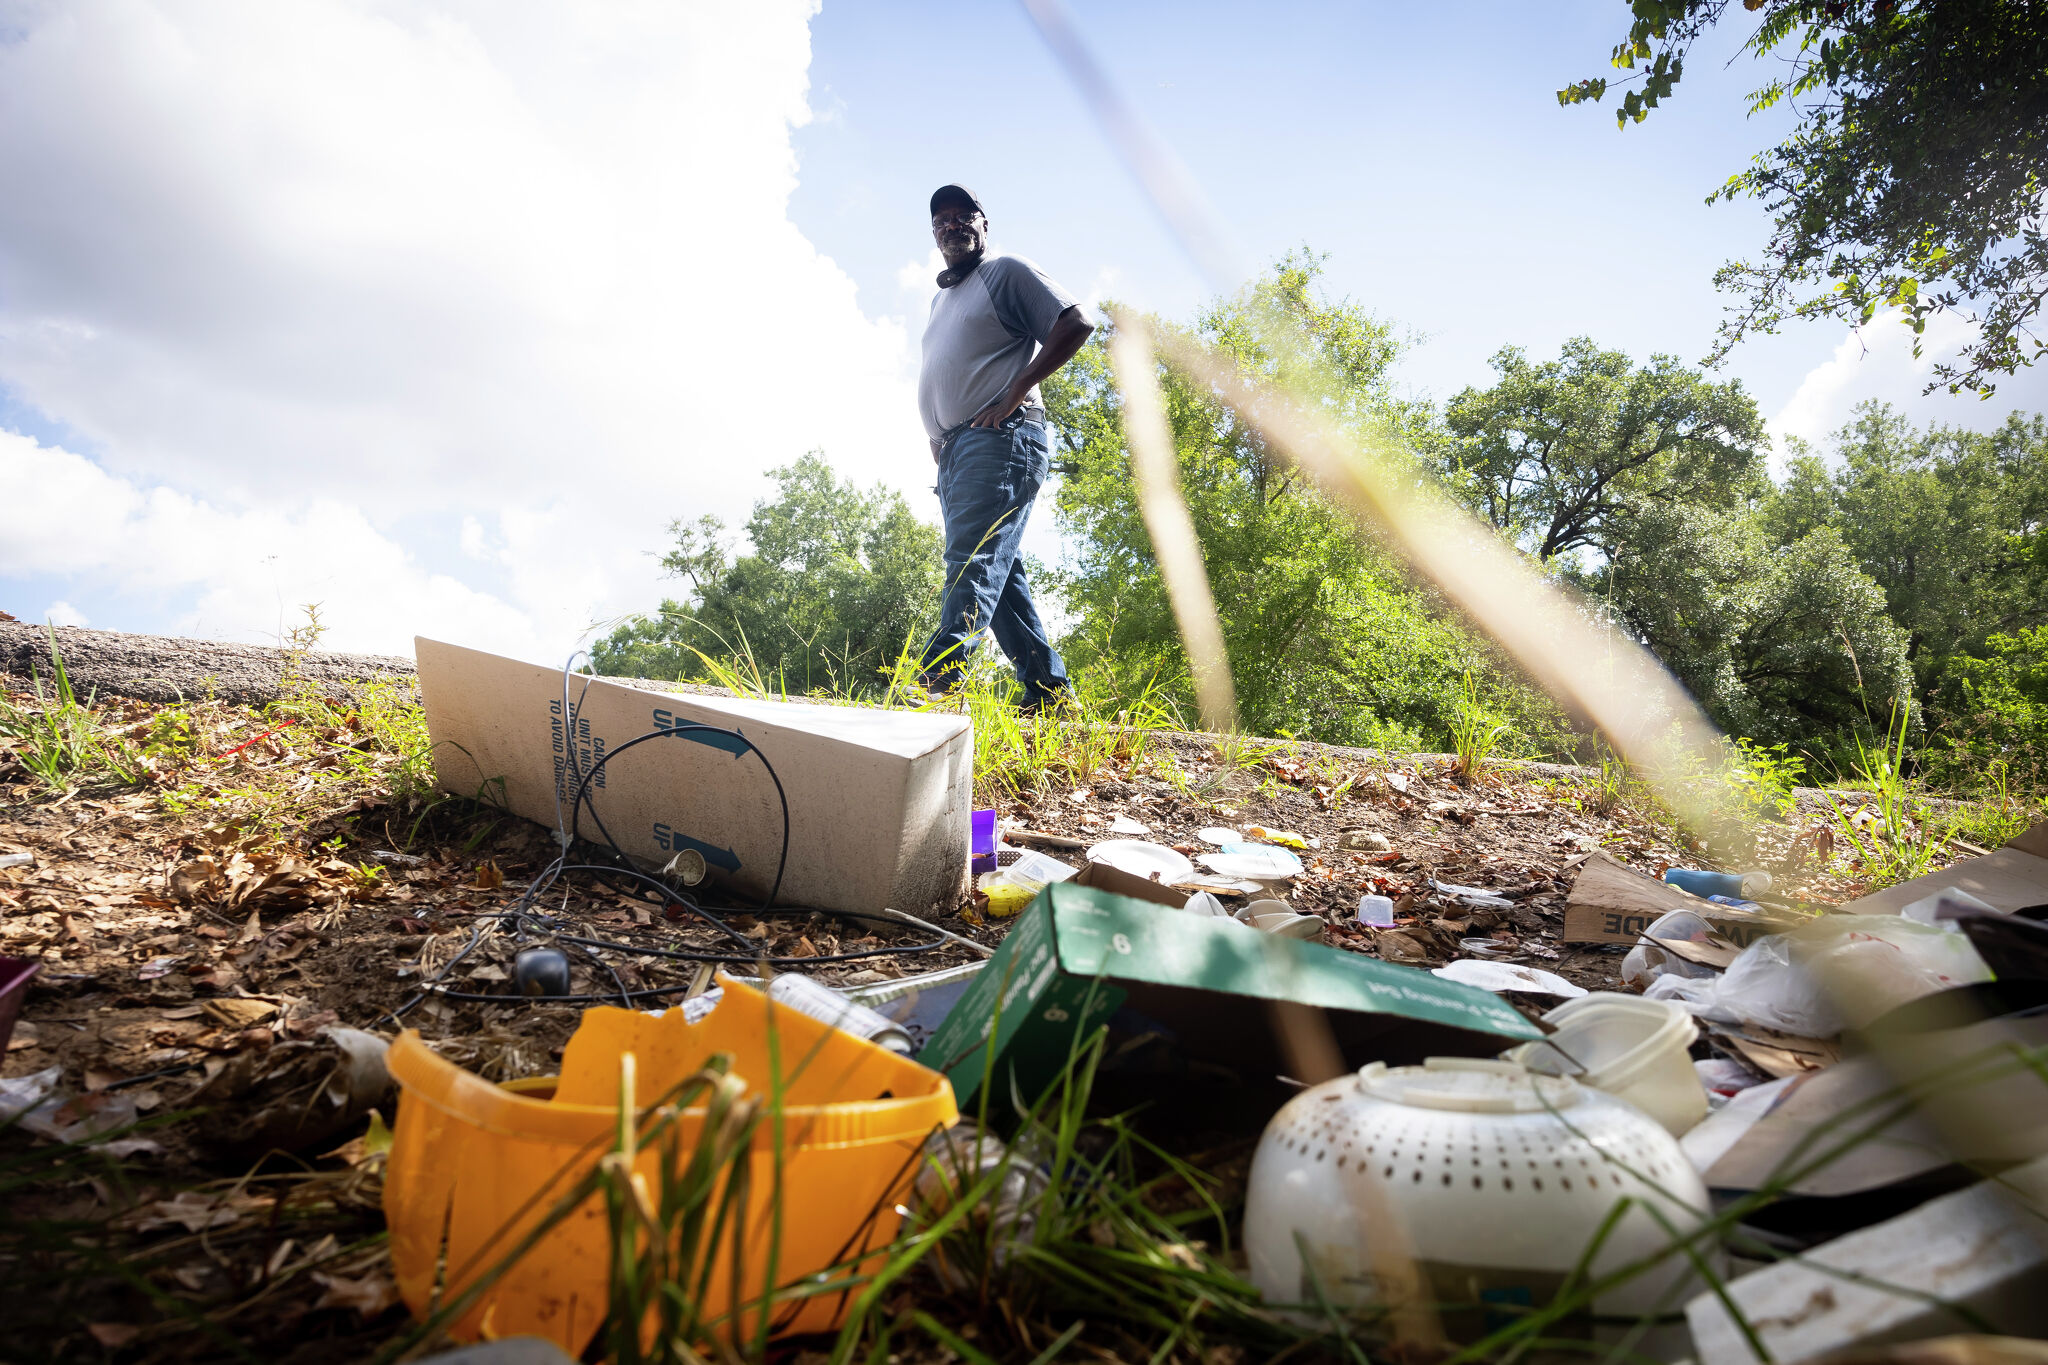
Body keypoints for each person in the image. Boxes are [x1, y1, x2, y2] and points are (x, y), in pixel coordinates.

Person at [916, 183, 1095, 710]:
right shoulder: (941, 298)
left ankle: (939, 679)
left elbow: (1074, 323)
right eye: (941, 220)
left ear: (983, 224)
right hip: (957, 451)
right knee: (1001, 572)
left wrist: (1016, 391)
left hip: (1001, 438)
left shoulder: (1005, 272)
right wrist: (939, 438)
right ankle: (1049, 691)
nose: (952, 225)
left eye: (962, 215)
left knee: (973, 557)